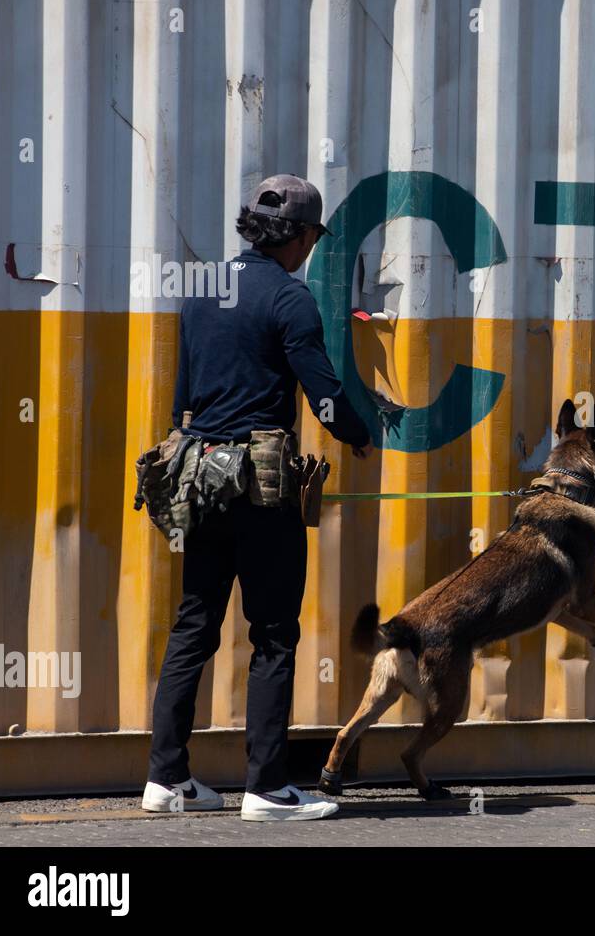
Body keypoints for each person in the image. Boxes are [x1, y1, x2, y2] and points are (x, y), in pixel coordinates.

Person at [141, 175, 373, 822]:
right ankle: (267, 788)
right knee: (273, 633)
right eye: (312, 238)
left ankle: (167, 779)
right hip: (260, 488)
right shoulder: (290, 300)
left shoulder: (203, 292)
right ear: (297, 236)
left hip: (199, 475)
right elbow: (323, 393)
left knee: (194, 626)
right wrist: (357, 435)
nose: (310, 249)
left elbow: (183, 398)